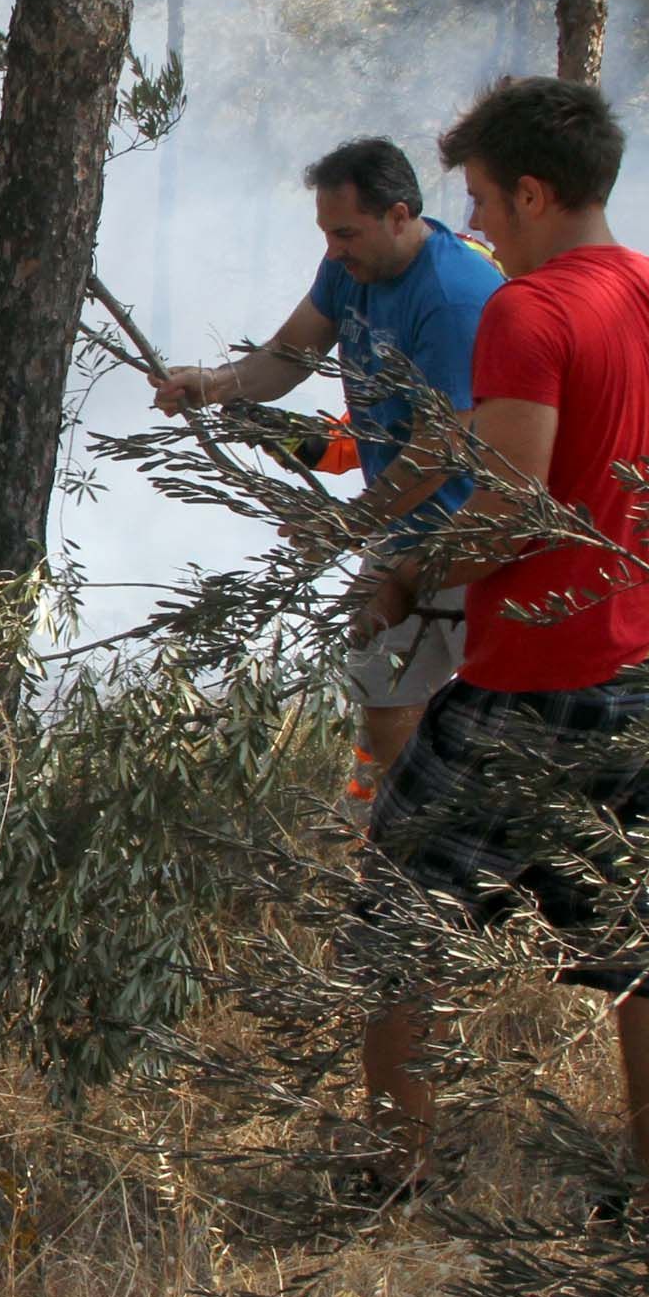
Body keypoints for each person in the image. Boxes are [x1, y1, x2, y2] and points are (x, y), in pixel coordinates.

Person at [350, 78, 649, 1212]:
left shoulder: (528, 310)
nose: (472, 225)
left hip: (537, 676)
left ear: (530, 191)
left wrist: (402, 574)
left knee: (395, 917)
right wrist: (647, 535)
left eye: (479, 199)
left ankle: (394, 1178)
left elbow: (510, 504)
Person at [155, 137, 504, 807]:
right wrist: (216, 384)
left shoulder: (454, 296)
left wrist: (349, 525)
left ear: (399, 215)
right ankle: (405, 834)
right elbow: (290, 354)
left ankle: (461, 850)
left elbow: (445, 447)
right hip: (398, 526)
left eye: (345, 232)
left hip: (475, 534)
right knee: (382, 683)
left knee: (483, 704)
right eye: (326, 233)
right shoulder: (350, 269)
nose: (333, 248)